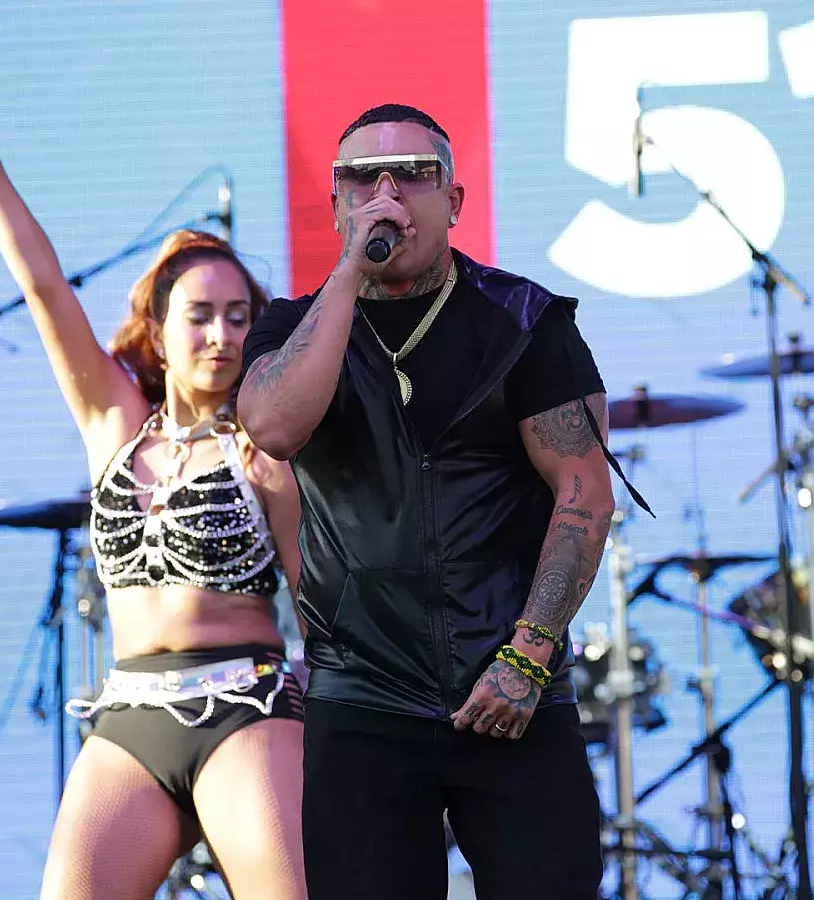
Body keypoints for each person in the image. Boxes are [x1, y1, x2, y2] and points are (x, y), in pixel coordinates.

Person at [0, 63, 307, 900]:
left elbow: (324, 602)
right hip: (130, 714)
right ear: (158, 332)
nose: (222, 335)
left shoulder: (265, 443)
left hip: (247, 704)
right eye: (199, 316)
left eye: (239, 317)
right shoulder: (113, 426)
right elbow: (42, 283)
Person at [239, 103, 634, 900]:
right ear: (338, 205)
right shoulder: (290, 328)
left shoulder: (523, 322)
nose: (388, 193)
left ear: (452, 201)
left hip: (509, 682)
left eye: (415, 175)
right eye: (361, 178)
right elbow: (275, 429)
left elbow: (584, 494)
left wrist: (528, 657)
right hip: (363, 694)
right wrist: (349, 271)